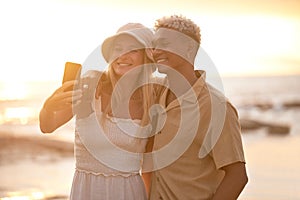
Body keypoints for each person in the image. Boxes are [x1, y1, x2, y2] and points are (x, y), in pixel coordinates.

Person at [39, 23, 155, 199]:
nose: (123, 55)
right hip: (86, 192)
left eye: (133, 50)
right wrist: (48, 108)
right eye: (118, 48)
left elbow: (149, 168)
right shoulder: (89, 88)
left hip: (129, 193)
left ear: (146, 58)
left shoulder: (152, 102)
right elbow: (47, 127)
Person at [147, 15, 248, 200]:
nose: (156, 51)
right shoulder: (155, 92)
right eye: (154, 45)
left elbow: (237, 176)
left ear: (189, 48)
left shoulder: (216, 107)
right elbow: (118, 82)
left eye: (164, 43)